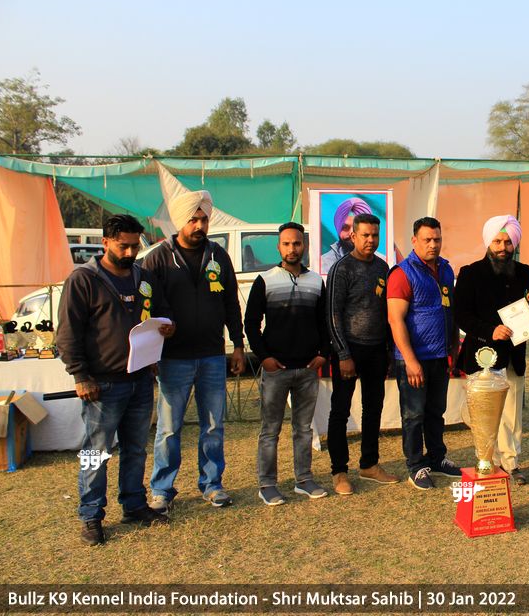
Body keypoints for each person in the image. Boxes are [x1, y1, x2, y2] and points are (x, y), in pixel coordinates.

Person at [56, 214, 175, 545]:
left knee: (135, 448)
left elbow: (162, 313)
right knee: (96, 452)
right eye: (123, 246)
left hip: (140, 378)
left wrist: (166, 327)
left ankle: (134, 505)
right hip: (101, 384)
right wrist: (81, 375)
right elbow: (67, 333)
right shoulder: (84, 280)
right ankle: (91, 515)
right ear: (105, 242)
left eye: (135, 246)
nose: (130, 253)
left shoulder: (143, 277)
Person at [143, 191, 246, 511]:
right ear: (180, 221)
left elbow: (231, 303)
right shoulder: (158, 258)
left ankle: (212, 484)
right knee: (169, 428)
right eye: (193, 219)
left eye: (204, 219)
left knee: (213, 425)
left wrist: (238, 345)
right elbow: (146, 308)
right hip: (173, 357)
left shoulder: (218, 255)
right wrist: (150, 351)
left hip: (212, 355)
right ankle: (162, 489)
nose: (200, 225)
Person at [244, 222, 331, 505]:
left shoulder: (316, 281)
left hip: (307, 369)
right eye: (286, 244)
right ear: (279, 247)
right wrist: (265, 358)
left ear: (304, 245)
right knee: (270, 430)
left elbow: (325, 323)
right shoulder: (265, 280)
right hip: (276, 370)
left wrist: (324, 354)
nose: (292, 248)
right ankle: (267, 484)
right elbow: (251, 324)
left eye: (296, 243)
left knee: (303, 429)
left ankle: (304, 480)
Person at [454, 215, 529, 485]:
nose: (503, 247)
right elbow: (461, 315)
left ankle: (511, 463)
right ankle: (487, 462)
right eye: (497, 241)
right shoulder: (470, 273)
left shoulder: (525, 272)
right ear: (488, 242)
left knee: (512, 413)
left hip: (514, 356)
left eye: (508, 242)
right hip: (482, 356)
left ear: (515, 243)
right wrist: (490, 330)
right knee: (484, 415)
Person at [326, 213, 399, 495]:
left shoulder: (382, 267)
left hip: (376, 349)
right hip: (349, 350)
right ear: (353, 236)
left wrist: (388, 351)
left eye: (375, 235)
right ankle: (339, 471)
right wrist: (343, 354)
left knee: (373, 408)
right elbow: (332, 314)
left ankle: (369, 464)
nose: (370, 240)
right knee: (340, 411)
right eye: (365, 235)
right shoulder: (341, 268)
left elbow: (386, 312)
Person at [387, 217, 462, 490]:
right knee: (413, 415)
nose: (433, 244)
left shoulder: (446, 269)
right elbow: (395, 320)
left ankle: (437, 458)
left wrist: (453, 345)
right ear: (414, 241)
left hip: (439, 356)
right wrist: (410, 361)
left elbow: (449, 310)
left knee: (436, 412)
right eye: (427, 240)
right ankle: (416, 466)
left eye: (437, 239)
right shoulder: (402, 273)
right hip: (413, 359)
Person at [320, 197, 374, 275]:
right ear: (338, 229)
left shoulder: (382, 263)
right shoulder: (324, 263)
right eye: (345, 227)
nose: (351, 233)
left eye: (357, 228)